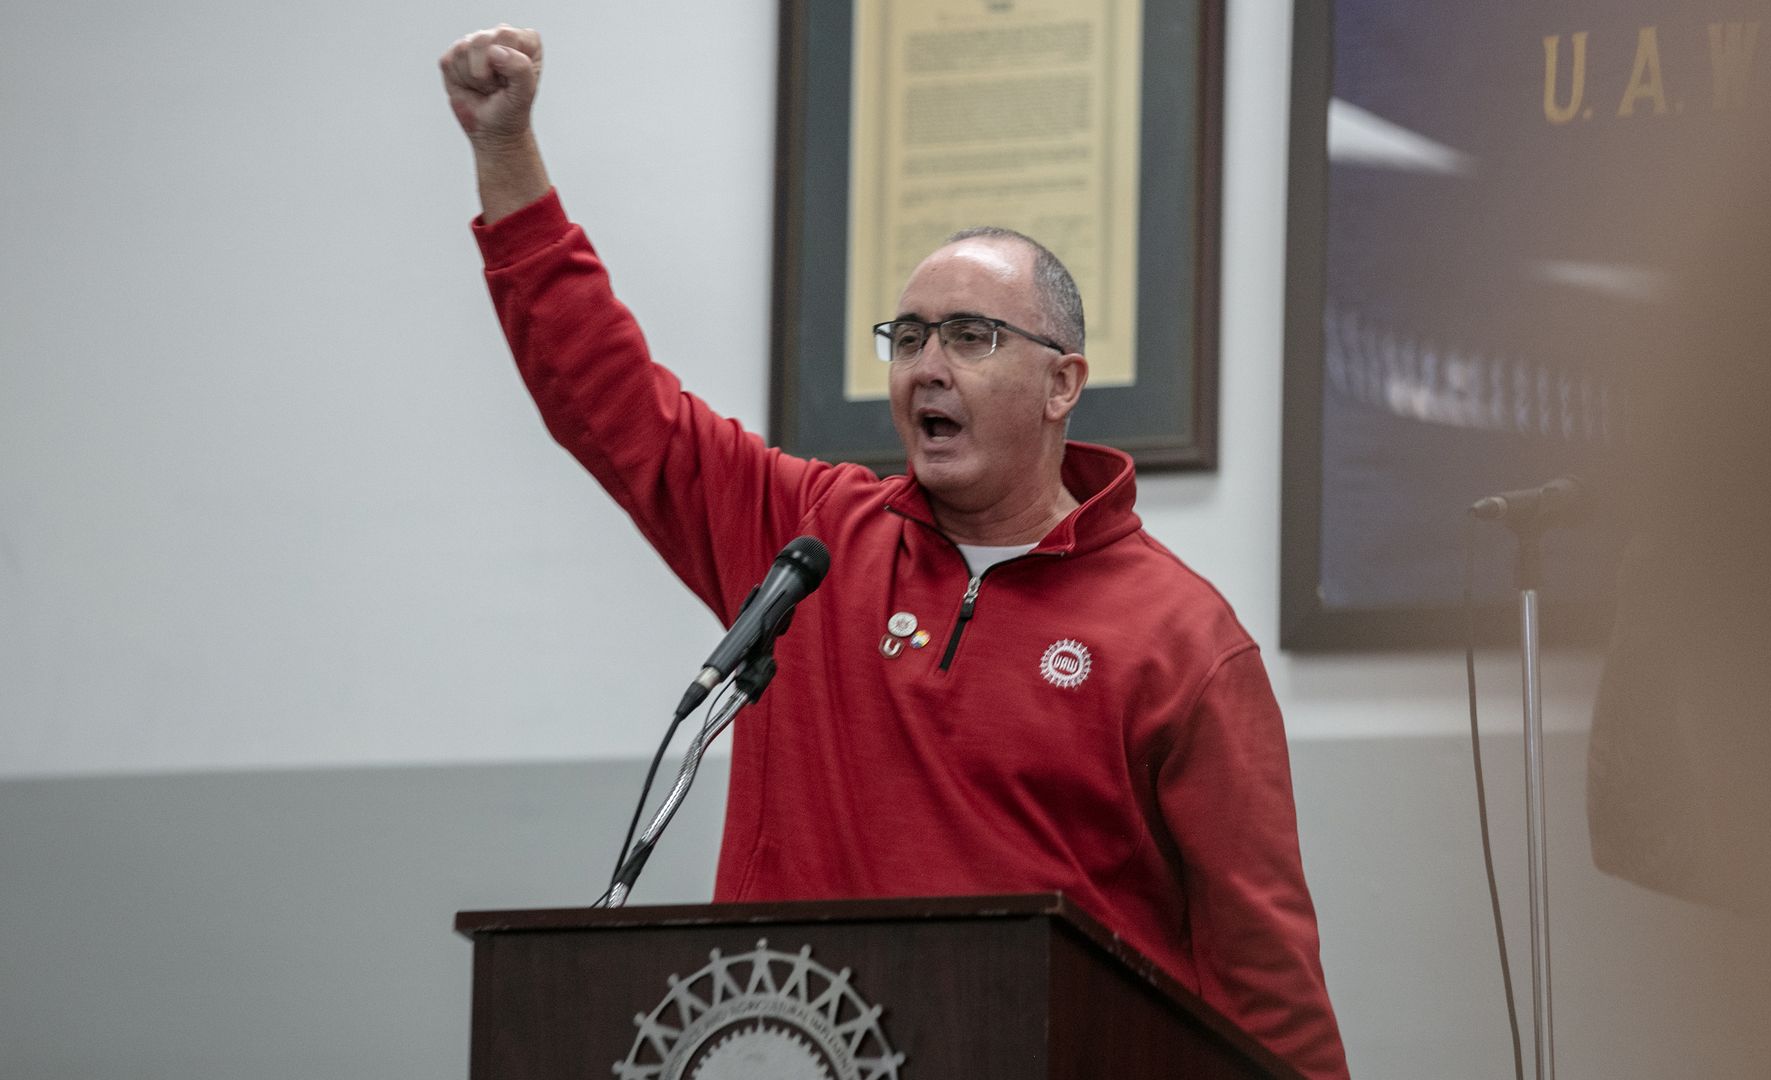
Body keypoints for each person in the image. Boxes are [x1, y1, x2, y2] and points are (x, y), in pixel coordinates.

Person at [441, 25, 1348, 1079]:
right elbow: (610, 399)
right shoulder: (809, 541)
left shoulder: (1183, 641)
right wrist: (505, 151)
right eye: (908, 337)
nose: (926, 367)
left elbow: (1264, 982)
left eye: (971, 337)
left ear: (1063, 383)